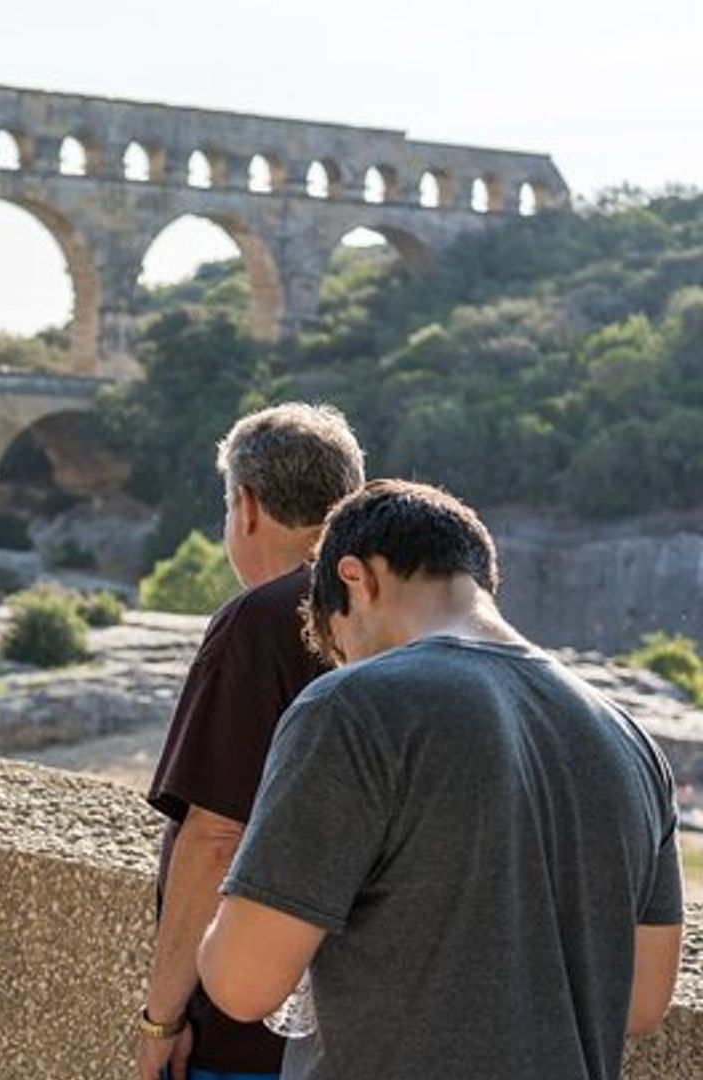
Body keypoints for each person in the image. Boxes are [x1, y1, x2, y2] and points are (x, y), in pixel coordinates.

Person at [197, 480, 686, 1080]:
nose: (349, 663)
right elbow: (641, 1001)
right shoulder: (631, 742)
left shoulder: (349, 707)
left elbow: (243, 985)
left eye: (342, 644)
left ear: (357, 579)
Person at [137, 404, 365, 1080]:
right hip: (371, 1017)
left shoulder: (260, 622)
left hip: (255, 1035)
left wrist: (161, 1019)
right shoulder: (392, 612)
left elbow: (214, 839)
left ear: (246, 505)